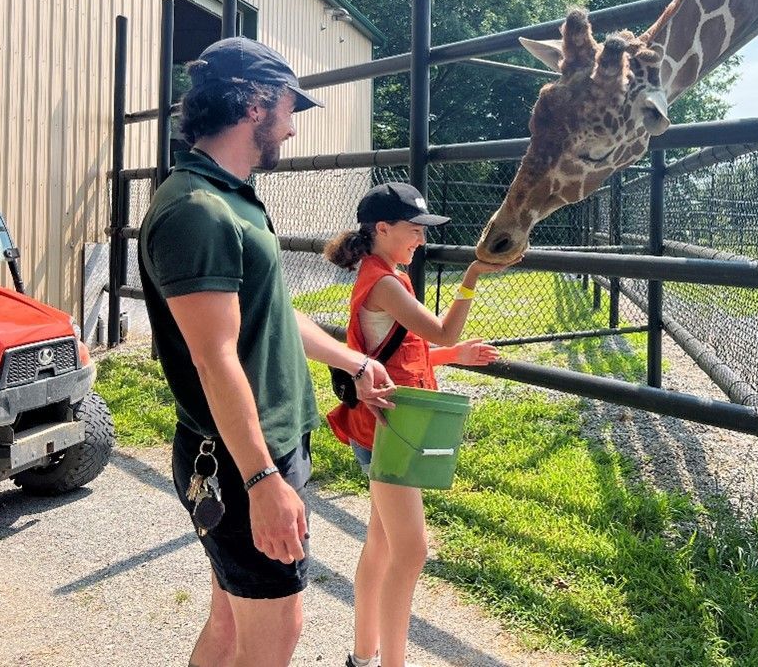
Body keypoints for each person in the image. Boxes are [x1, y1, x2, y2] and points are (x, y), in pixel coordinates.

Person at [138, 37, 396, 667]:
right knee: (275, 631)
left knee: (231, 623)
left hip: (259, 449)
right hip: (240, 461)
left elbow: (273, 317)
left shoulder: (232, 197)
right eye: (288, 107)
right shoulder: (196, 210)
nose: (291, 125)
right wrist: (261, 481)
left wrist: (355, 363)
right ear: (254, 104)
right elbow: (214, 358)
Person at [323, 182, 510, 667]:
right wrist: (471, 276)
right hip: (394, 427)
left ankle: (363, 657)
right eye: (413, 231)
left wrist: (455, 356)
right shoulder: (385, 282)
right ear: (381, 229)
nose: (420, 241)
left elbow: (401, 348)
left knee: (382, 545)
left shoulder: (379, 273)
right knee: (411, 552)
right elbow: (442, 328)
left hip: (382, 423)